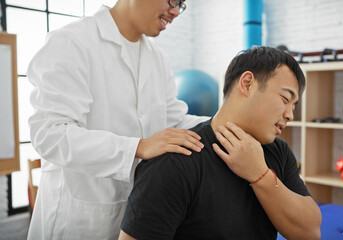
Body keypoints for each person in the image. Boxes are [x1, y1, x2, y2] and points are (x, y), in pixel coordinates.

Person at [27, 0, 208, 239]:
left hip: (135, 220)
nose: (175, 11)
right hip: (76, 221)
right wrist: (138, 147)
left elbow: (173, 121)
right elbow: (51, 134)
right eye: (173, 0)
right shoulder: (72, 42)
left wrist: (231, 123)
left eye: (182, 4)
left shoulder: (158, 58)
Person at [119, 46, 322, 240]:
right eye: (285, 99)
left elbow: (310, 232)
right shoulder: (174, 162)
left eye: (294, 105)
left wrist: (260, 175)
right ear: (247, 83)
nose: (290, 115)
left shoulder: (279, 151)